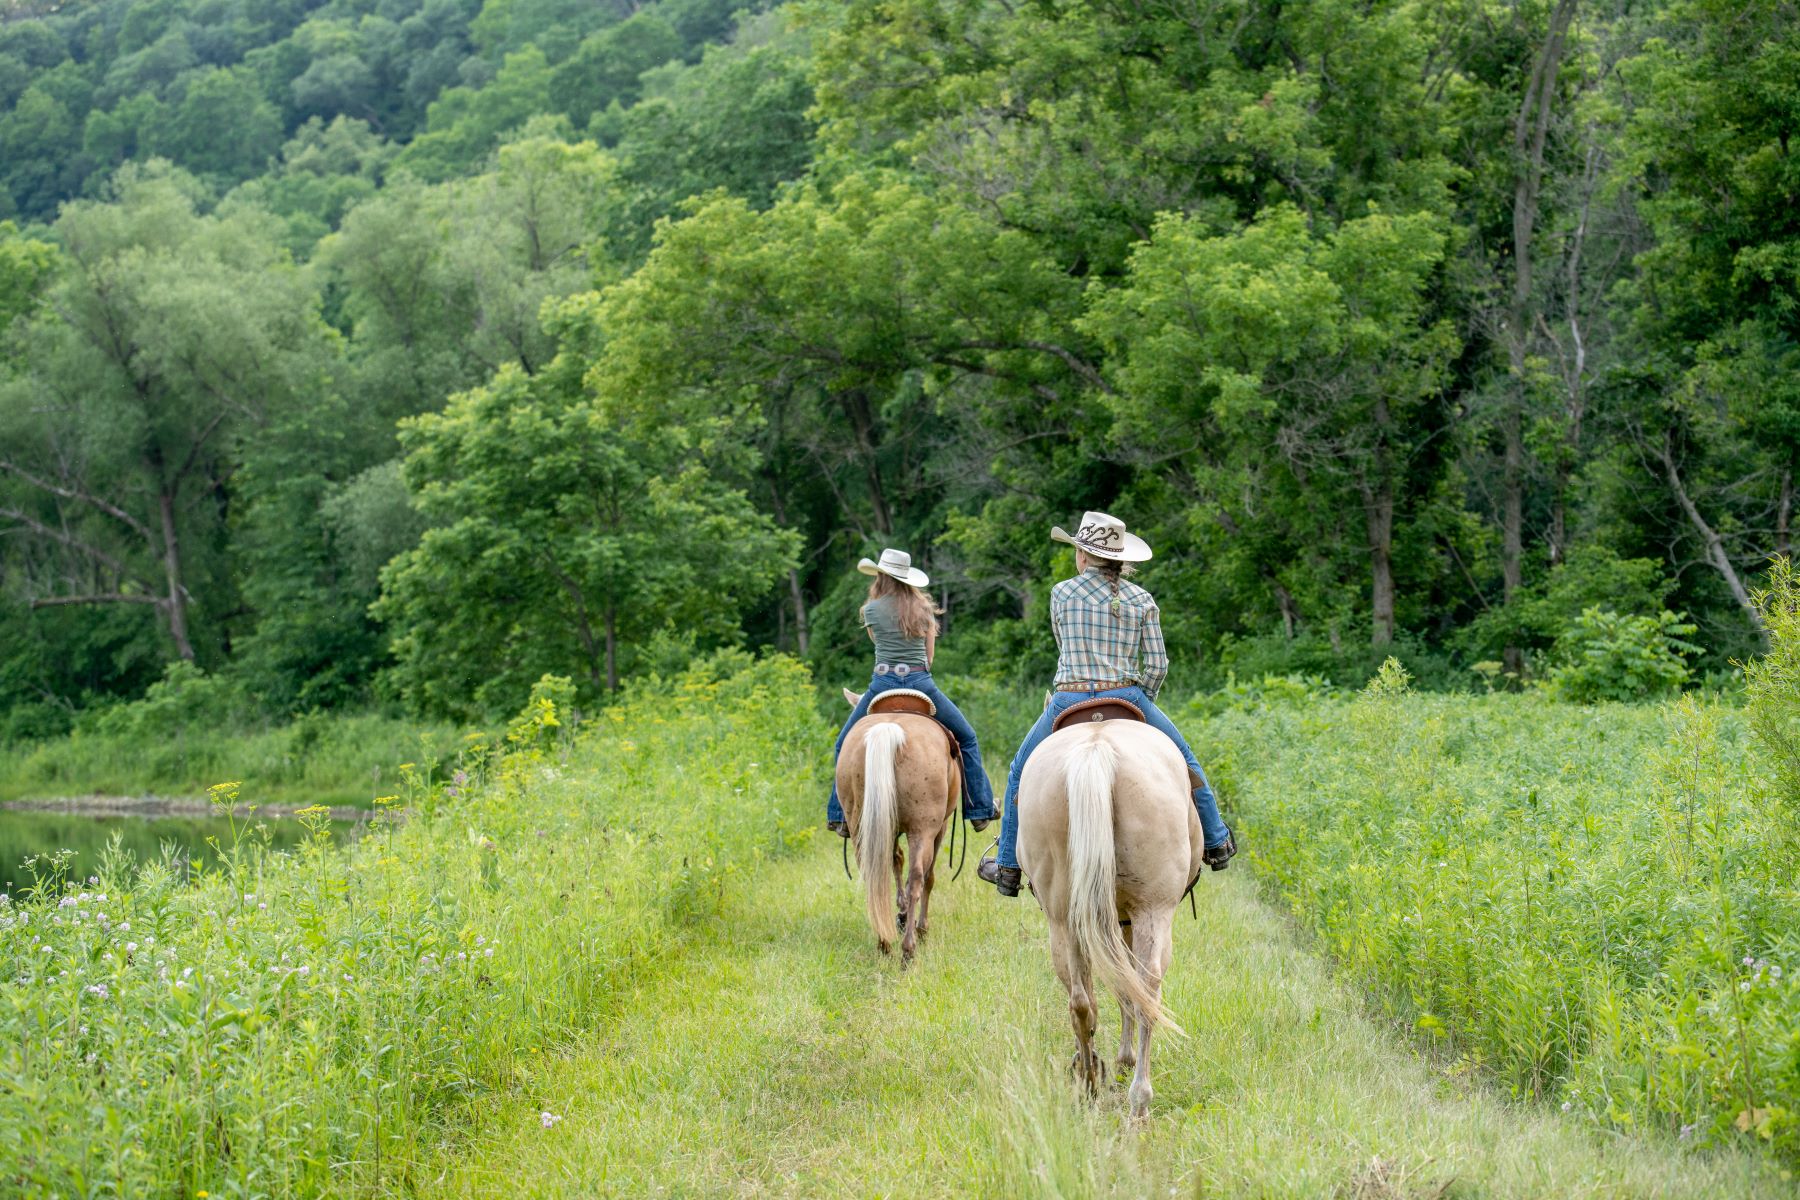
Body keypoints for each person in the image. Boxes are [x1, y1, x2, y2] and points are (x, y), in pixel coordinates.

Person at [978, 512, 1235, 896]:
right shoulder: (1142, 598)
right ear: (1119, 557)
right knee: (1186, 760)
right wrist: (1144, 696)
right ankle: (1216, 841)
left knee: (1018, 771)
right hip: (1127, 695)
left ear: (1083, 555)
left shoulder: (1061, 593)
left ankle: (1009, 867)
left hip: (1068, 697)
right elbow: (1159, 664)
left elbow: (1062, 644)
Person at [826, 548, 998, 837]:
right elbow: (928, 659)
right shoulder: (925, 610)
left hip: (880, 684)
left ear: (881, 576)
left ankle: (839, 815)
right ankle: (980, 808)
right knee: (967, 737)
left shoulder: (870, 610)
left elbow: (878, 644)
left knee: (843, 743)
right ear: (907, 579)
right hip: (920, 684)